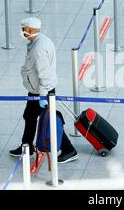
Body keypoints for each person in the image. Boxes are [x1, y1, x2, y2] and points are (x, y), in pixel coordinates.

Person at [9, 17, 79, 164]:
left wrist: (42, 96)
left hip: (42, 91)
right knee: (29, 116)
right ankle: (26, 147)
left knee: (50, 121)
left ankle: (69, 149)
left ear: (29, 30)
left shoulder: (38, 49)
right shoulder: (40, 41)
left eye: (23, 29)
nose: (22, 32)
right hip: (37, 90)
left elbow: (44, 74)